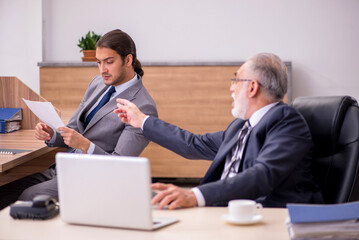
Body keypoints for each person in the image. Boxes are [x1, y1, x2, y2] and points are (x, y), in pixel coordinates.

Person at [114, 52, 323, 210]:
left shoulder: (287, 121)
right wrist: (142, 121)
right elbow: (192, 144)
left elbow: (263, 175)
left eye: (236, 80)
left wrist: (195, 195)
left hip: (268, 216)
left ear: (252, 87)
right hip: (223, 211)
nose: (231, 88)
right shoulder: (240, 126)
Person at [0, 29, 158, 210]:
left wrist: (85, 145)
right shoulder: (98, 83)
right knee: (4, 193)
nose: (102, 70)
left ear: (128, 60)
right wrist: (52, 134)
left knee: (29, 197)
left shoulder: (143, 107)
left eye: (109, 62)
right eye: (98, 63)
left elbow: (118, 165)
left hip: (92, 178)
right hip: (62, 168)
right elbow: (74, 128)